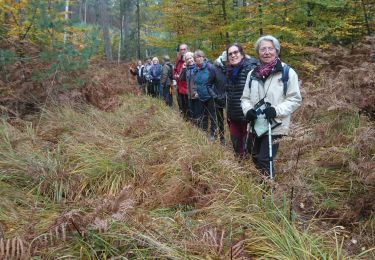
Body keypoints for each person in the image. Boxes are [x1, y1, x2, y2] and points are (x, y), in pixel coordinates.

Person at [241, 35, 302, 176]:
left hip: (275, 124)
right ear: (258, 52)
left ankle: (268, 192)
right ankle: (261, 186)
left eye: (270, 48)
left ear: (277, 51)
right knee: (255, 157)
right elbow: (244, 98)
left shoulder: (287, 73)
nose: (266, 52)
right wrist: (248, 110)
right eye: (263, 49)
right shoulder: (252, 74)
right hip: (256, 124)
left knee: (264, 160)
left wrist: (276, 110)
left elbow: (295, 99)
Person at [226, 44, 258, 157]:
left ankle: (249, 171)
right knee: (236, 146)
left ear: (242, 54)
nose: (233, 55)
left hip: (247, 116)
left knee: (248, 148)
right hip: (233, 116)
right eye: (230, 54)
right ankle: (239, 169)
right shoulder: (230, 71)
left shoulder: (250, 68)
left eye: (236, 52)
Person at [193, 50, 217, 139]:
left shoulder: (210, 67)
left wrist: (214, 94)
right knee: (203, 115)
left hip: (210, 97)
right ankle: (204, 131)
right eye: (196, 57)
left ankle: (213, 134)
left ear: (203, 57)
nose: (198, 59)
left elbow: (216, 81)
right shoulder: (196, 69)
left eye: (200, 57)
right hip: (201, 96)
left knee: (212, 116)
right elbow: (196, 83)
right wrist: (196, 91)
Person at [206, 51, 228, 144]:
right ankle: (222, 139)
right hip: (218, 98)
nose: (229, 63)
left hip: (230, 98)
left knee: (232, 120)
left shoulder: (233, 68)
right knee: (220, 120)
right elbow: (208, 84)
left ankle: (235, 140)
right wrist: (215, 96)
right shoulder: (214, 68)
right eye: (227, 61)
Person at [174, 44, 189, 119]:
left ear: (187, 49)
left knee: (189, 107)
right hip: (180, 88)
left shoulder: (190, 59)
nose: (183, 51)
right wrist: (176, 76)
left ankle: (191, 123)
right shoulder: (178, 61)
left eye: (184, 49)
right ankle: (185, 120)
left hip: (188, 89)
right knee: (182, 106)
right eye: (181, 49)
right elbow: (175, 71)